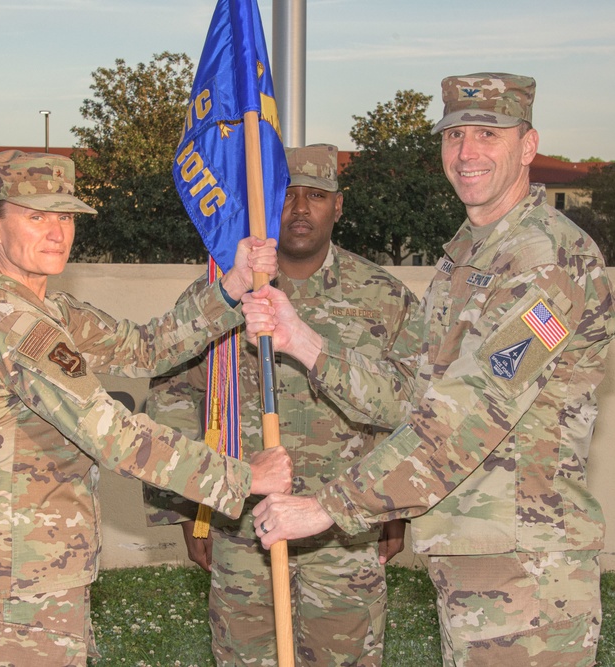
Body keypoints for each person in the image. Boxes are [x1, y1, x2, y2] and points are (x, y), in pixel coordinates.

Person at [245, 74, 615, 666]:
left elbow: (469, 414)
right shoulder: (466, 259)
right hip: (475, 555)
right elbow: (411, 395)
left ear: (527, 146)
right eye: (454, 136)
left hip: (528, 573)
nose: (466, 153)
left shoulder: (547, 260)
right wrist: (305, 341)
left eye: (487, 135)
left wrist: (327, 508)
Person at [0, 149, 292, 667]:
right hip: (15, 587)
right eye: (36, 216)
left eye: (64, 217)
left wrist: (233, 287)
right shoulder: (10, 325)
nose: (57, 232)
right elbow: (115, 438)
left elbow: (146, 347)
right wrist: (241, 477)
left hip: (40, 573)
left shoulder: (47, 312)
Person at [143, 144, 420, 666]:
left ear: (338, 207)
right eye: (285, 195)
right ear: (262, 208)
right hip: (240, 526)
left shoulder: (385, 298)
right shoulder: (219, 295)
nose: (299, 209)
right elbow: (173, 402)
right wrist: (187, 513)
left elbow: (410, 408)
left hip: (345, 527)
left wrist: (395, 509)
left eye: (316, 196)